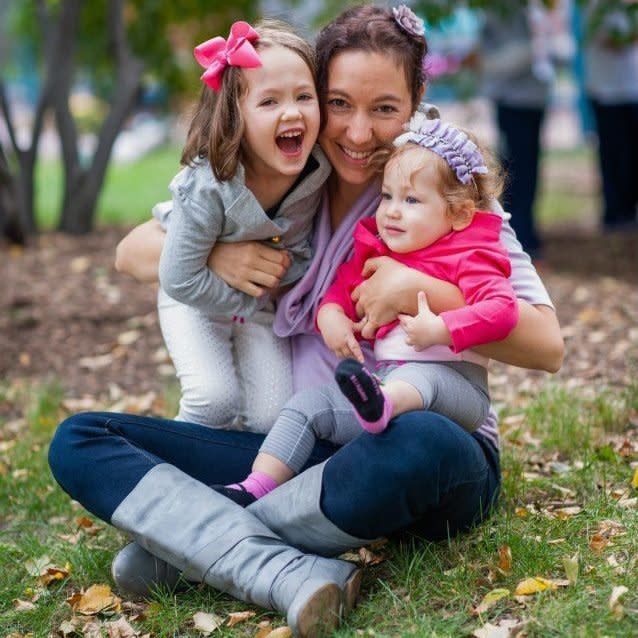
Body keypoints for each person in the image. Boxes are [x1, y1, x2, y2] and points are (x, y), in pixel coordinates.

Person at [49, 5, 564, 637]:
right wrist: (218, 252)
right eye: (339, 103)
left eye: (384, 109)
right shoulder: (284, 180)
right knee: (81, 440)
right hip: (293, 453)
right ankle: (278, 564)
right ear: (313, 100)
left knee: (419, 440)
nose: (356, 132)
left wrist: (419, 289)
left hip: (411, 451)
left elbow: (547, 346)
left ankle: (187, 549)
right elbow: (131, 251)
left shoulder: (436, 191)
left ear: (417, 103)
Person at [219, 115, 519, 504]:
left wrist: (443, 330)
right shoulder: (378, 251)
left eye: (411, 200)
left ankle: (381, 405)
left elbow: (503, 311)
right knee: (307, 407)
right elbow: (339, 294)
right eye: (387, 196)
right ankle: (254, 487)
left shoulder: (471, 255)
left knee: (419, 379)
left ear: (459, 214)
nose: (392, 211)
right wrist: (331, 317)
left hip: (457, 389)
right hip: (384, 384)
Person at [152, 19, 330, 431]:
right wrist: (250, 301)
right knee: (214, 400)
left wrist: (284, 277)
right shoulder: (209, 186)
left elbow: (300, 249)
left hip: (258, 303)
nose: (292, 112)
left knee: (272, 417)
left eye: (304, 96)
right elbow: (178, 278)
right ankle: (172, 471)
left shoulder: (317, 170)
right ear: (235, 117)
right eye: (269, 102)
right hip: (193, 298)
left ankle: (241, 484)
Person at [584, 3, 638, 230]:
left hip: (630, 90)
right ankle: (615, 214)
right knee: (613, 155)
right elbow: (608, 40)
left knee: (630, 155)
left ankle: (627, 210)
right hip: (606, 91)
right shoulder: (595, 7)